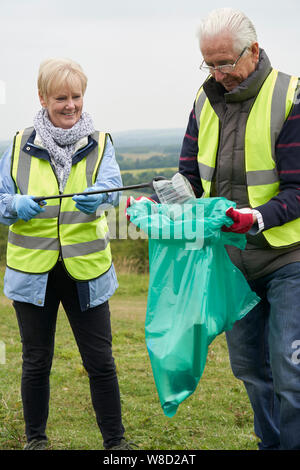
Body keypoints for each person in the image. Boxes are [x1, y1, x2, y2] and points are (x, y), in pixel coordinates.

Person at [177, 8, 300, 450]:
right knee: (250, 371)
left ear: (254, 50)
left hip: (289, 258)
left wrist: (256, 217)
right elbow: (188, 178)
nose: (217, 73)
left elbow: (299, 188)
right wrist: (161, 206)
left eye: (225, 62)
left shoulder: (291, 95)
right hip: (230, 263)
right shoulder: (203, 100)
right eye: (208, 63)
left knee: (292, 374)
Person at [0, 58, 135, 450]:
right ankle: (36, 441)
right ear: (42, 98)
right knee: (36, 362)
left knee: (101, 363)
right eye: (61, 97)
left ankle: (116, 444)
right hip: (32, 272)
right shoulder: (16, 145)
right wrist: (13, 206)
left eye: (76, 96)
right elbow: (1, 200)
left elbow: (113, 189)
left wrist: (101, 197)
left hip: (86, 271)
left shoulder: (101, 141)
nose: (71, 105)